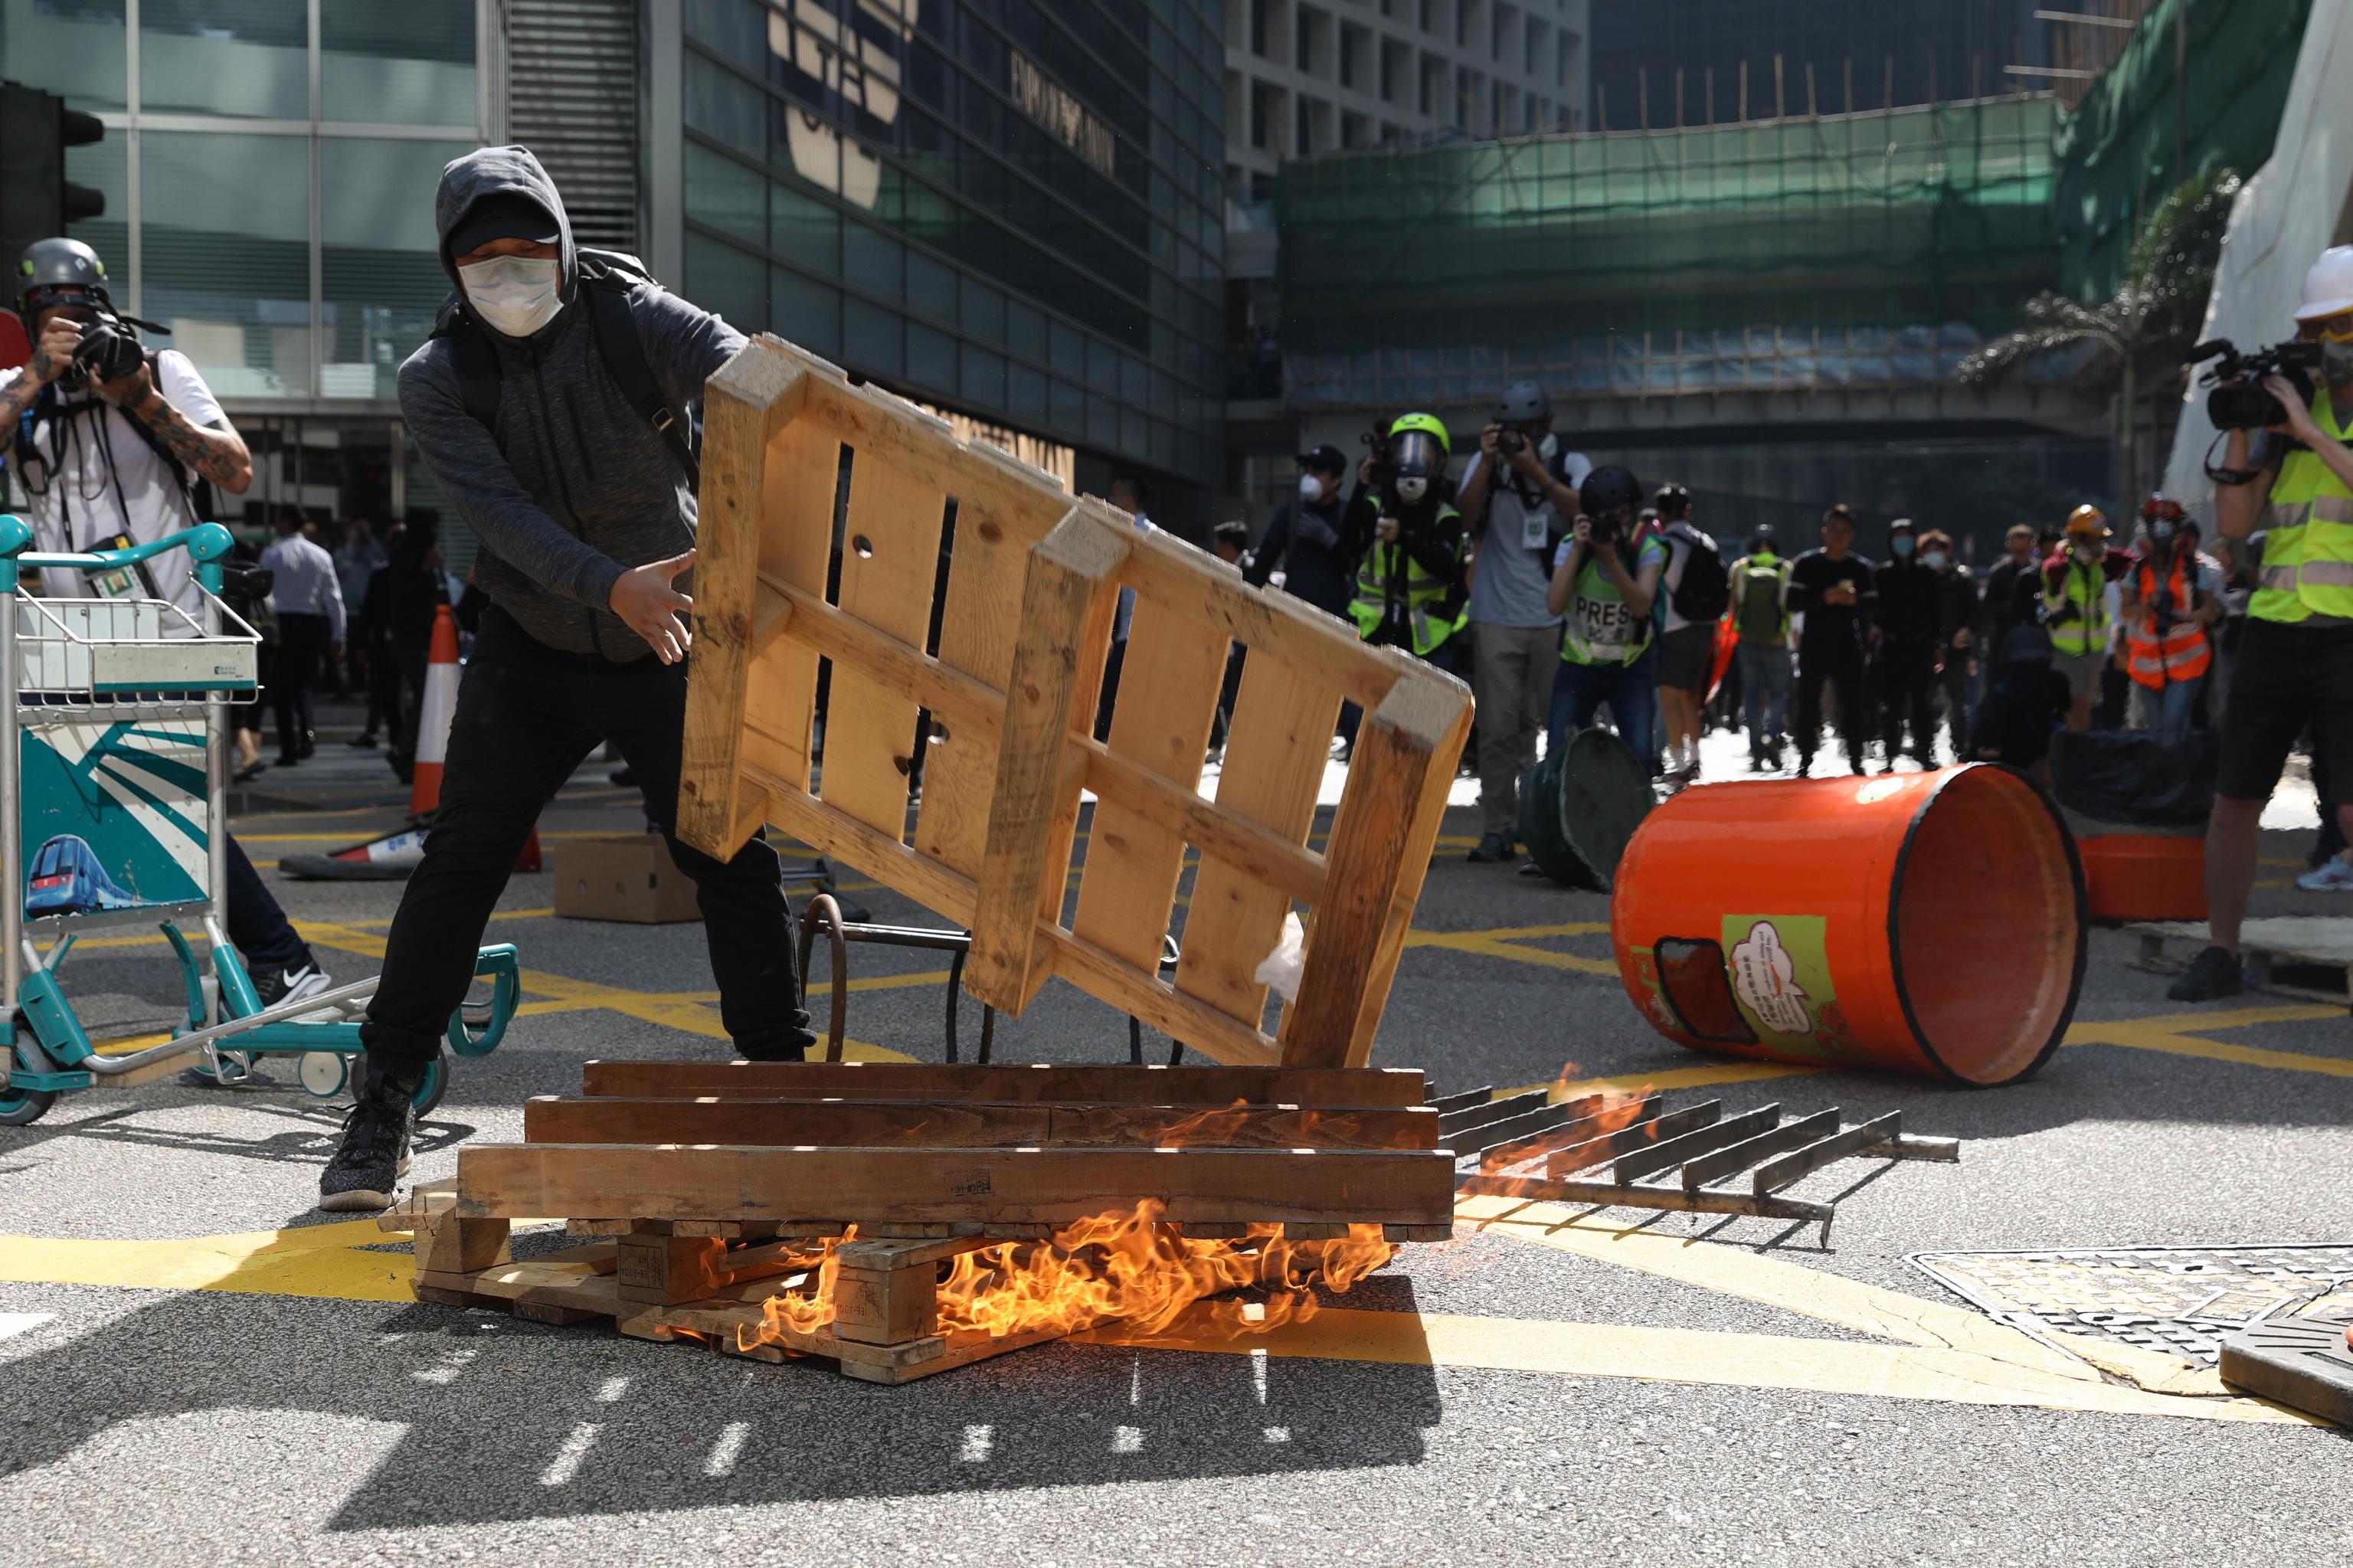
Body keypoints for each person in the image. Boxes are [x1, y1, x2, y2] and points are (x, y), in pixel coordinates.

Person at [316, 146, 815, 1210]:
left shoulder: (633, 320)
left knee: (728, 850)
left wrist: (733, 528)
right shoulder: (437, 378)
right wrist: (605, 582)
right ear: (451, 269)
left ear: (563, 242)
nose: (509, 270)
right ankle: (381, 1103)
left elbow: (750, 379)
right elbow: (498, 514)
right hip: (533, 647)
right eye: (482, 256)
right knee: (459, 861)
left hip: (665, 639)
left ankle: (781, 1084)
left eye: (526, 247)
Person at [2, 237, 334, 1024]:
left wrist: (139, 397)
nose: (69, 329)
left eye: (79, 311)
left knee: (173, 797)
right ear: (27, 320)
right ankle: (262, 974)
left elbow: (235, 470)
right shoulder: (19, 392)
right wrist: (37, 378)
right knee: (121, 800)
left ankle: (278, 965)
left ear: (106, 307)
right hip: (66, 639)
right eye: (50, 315)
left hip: (171, 627)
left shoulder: (161, 370)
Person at [2166, 244, 2353, 998]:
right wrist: (2246, 428)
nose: (2333, 341)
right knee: (2235, 798)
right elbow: (2237, 522)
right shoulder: (2284, 421)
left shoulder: (2311, 422)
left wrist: (2311, 429)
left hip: (2349, 632)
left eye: (2344, 324)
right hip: (2275, 627)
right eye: (2325, 327)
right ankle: (2222, 951)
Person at [1454, 380, 1586, 861]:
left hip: (1555, 617)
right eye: (1510, 430)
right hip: (1495, 616)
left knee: (1560, 726)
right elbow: (1464, 520)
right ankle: (1498, 828)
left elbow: (1585, 514)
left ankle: (1553, 825)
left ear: (1546, 426)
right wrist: (1490, 462)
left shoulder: (1568, 464)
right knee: (1497, 727)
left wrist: (1535, 471)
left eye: (1526, 430)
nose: (1516, 438)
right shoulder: (1486, 462)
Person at [1545, 464, 1666, 759]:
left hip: (1630, 667)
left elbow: (1641, 605)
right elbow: (1554, 605)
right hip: (1578, 666)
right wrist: (1578, 549)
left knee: (1639, 755)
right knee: (1559, 755)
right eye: (1607, 514)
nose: (1615, 522)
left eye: (1623, 513)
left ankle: (1638, 805)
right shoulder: (1572, 547)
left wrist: (1612, 559)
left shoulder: (1646, 548)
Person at [1344, 413, 1467, 670]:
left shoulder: (1446, 516)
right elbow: (1347, 544)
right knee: (1364, 707)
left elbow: (1446, 567)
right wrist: (1360, 487)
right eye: (1404, 451)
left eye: (1425, 453)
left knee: (1422, 708)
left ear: (1440, 461)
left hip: (1428, 636)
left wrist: (1403, 538)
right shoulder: (1377, 506)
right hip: (1371, 629)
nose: (1413, 460)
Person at [1787, 503, 1877, 777]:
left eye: (1845, 531)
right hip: (1814, 642)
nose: (1838, 536)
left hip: (1849, 643)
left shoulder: (1861, 568)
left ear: (1852, 534)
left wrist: (1855, 601)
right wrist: (1822, 599)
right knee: (1807, 701)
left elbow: (1874, 607)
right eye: (1834, 530)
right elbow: (1792, 601)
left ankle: (1855, 758)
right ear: (1824, 532)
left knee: (1852, 703)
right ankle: (1804, 758)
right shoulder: (1806, 564)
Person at [2119, 496, 2218, 734]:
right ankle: (2171, 770)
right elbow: (2126, 611)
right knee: (2158, 731)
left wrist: (2182, 616)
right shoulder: (2137, 571)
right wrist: (2147, 607)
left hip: (2187, 663)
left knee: (2171, 729)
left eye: (2168, 525)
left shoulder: (2196, 569)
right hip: (2148, 667)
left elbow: (2210, 612)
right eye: (2156, 525)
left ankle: (2177, 768)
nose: (2161, 531)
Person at [1650, 484, 1726, 787]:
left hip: (1674, 627)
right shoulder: (1705, 541)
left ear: (1660, 513)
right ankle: (1694, 760)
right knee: (1691, 696)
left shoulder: (1664, 543)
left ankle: (1679, 763)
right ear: (1688, 510)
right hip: (1706, 627)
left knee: (1669, 696)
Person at [260, 509, 346, 766]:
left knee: (282, 689)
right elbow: (334, 597)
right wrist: (338, 634)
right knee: (305, 684)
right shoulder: (321, 555)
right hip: (311, 621)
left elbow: (263, 593)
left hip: (281, 621)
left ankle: (288, 749)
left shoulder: (272, 553)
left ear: (286, 522)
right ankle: (307, 733)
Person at [1245, 444, 1358, 622]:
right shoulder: (1291, 514)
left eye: (1318, 471)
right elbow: (1264, 561)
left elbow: (1356, 567)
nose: (1309, 477)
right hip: (1293, 612)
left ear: (1336, 478)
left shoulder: (1347, 517)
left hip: (1336, 618)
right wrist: (1251, 603)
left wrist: (1329, 539)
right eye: (1307, 470)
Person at [2041, 506, 2124, 733]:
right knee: (2075, 703)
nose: (2099, 544)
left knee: (2087, 705)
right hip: (2067, 650)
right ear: (2078, 538)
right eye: (2095, 539)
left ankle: (2078, 746)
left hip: (2094, 649)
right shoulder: (2057, 567)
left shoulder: (2097, 565)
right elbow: (2051, 603)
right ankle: (2074, 750)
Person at [1873, 518, 1940, 771]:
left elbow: (1935, 612)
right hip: (1892, 647)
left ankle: (1925, 750)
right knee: (1891, 703)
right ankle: (1889, 753)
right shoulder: (1882, 573)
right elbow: (1875, 610)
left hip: (1921, 646)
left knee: (1922, 702)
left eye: (1907, 535)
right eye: (1898, 536)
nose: (1903, 541)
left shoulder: (1926, 573)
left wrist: (1937, 643)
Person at [1726, 524, 1793, 771]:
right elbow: (1790, 608)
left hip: (1747, 641)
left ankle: (1755, 748)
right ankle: (1771, 732)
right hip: (1777, 640)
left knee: (1752, 695)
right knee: (1778, 693)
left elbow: (1732, 607)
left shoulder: (1740, 567)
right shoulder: (1785, 568)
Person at [1972, 624, 2073, 777]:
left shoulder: (1999, 694)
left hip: (2011, 773)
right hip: (2050, 766)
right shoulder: (2057, 682)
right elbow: (2067, 716)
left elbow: (1987, 746)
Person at [1922, 530, 1978, 761]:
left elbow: (1975, 613)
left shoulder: (1962, 580)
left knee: (1957, 701)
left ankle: (1959, 750)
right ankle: (1926, 748)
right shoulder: (1921, 580)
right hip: (1927, 650)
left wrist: (1966, 632)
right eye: (1930, 550)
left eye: (1940, 549)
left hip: (1957, 651)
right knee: (1925, 700)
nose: (1935, 554)